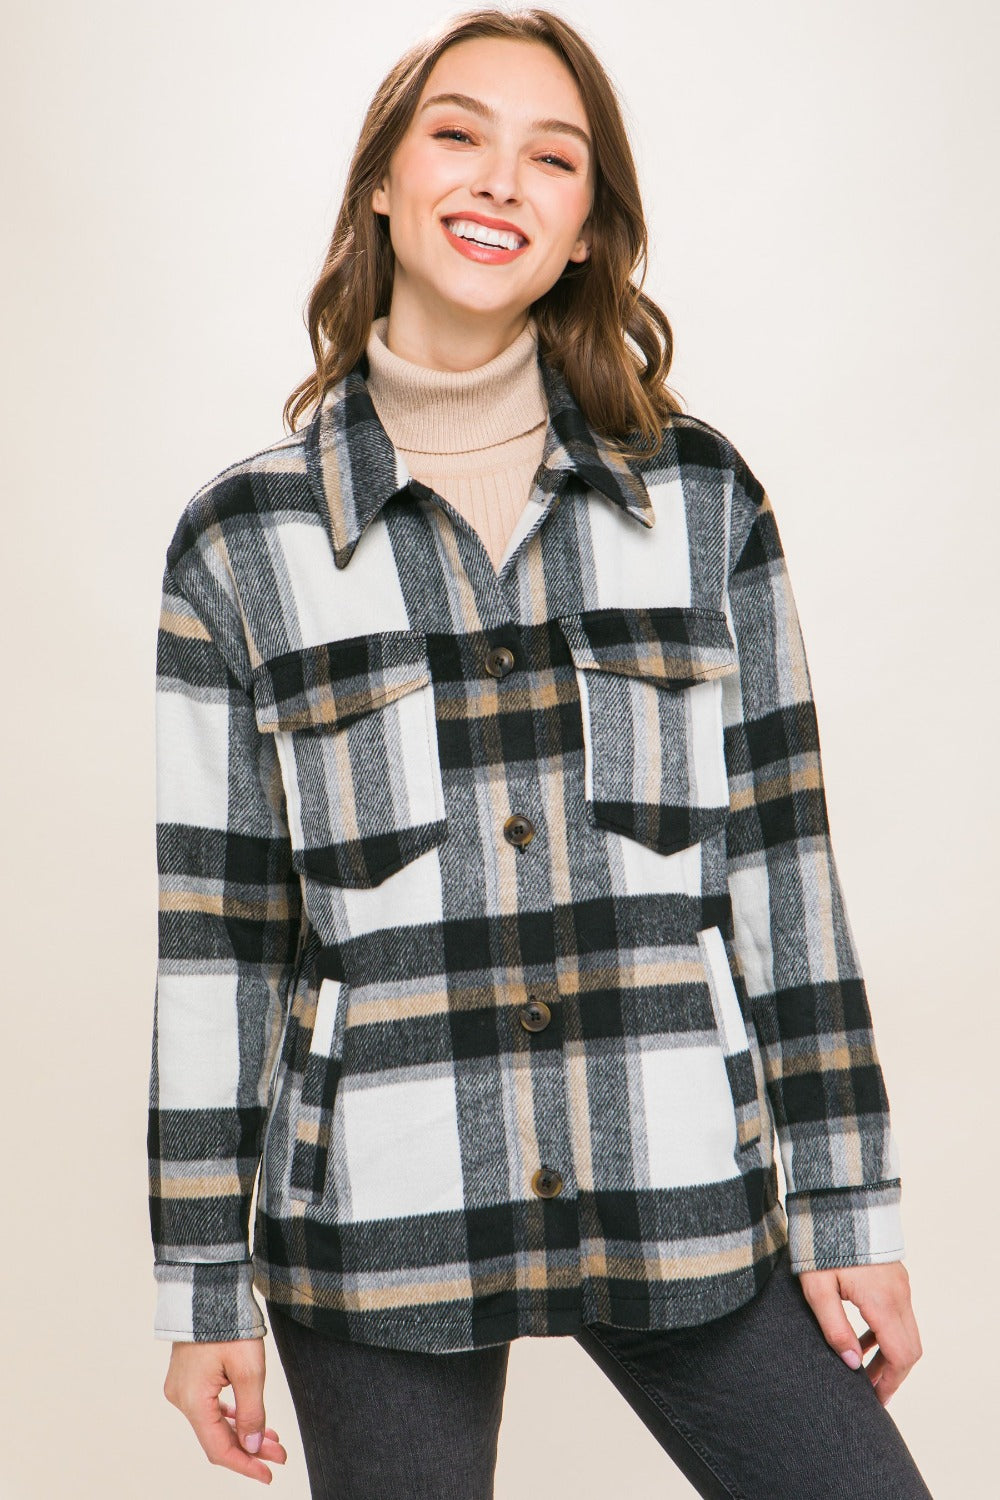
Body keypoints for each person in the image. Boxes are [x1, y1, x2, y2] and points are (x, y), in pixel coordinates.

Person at [148, 8, 933, 1497]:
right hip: (377, 1220)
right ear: (384, 185)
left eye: (553, 158)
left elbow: (785, 873)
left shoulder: (701, 502)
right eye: (458, 134)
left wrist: (849, 1209)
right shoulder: (241, 545)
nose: (500, 179)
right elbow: (221, 945)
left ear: (585, 231)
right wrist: (201, 1290)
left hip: (678, 1180)